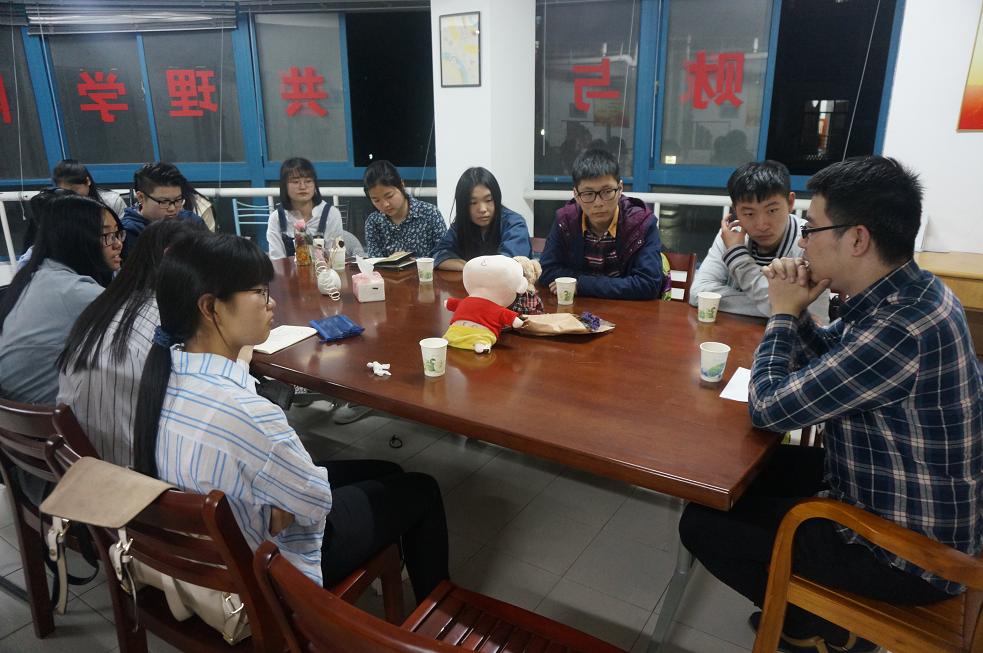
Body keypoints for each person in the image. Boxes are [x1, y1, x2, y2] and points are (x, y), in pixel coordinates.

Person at [679, 156, 983, 653]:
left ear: (857, 239)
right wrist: (797, 310)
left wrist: (782, 312)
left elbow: (768, 408)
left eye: (812, 229)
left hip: (909, 555)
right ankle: (808, 615)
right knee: (731, 478)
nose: (802, 242)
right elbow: (829, 354)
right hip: (880, 489)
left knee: (702, 524)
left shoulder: (902, 329)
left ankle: (820, 627)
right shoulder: (905, 293)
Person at [132, 233, 450, 602]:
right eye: (259, 292)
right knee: (422, 488)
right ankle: (437, 611)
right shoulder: (250, 415)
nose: (272, 303)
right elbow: (317, 502)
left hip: (216, 551)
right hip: (277, 566)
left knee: (387, 471)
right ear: (210, 308)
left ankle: (390, 558)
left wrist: (282, 499)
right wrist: (284, 501)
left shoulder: (166, 373)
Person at [57, 220, 204, 466]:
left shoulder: (104, 308)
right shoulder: (168, 322)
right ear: (174, 259)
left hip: (80, 467)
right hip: (138, 476)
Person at [0, 194, 123, 405]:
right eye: (107, 236)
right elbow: (139, 325)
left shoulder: (37, 273)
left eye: (118, 234)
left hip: (16, 413)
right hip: (47, 416)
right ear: (76, 240)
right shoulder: (74, 291)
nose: (118, 243)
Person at [690, 160, 829, 321]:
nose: (762, 225)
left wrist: (738, 258)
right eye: (749, 214)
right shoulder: (731, 235)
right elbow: (699, 293)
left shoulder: (809, 240)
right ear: (736, 211)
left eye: (772, 210)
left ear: (790, 202)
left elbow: (814, 319)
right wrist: (785, 307)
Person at [538, 148, 664, 300]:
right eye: (588, 194)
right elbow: (546, 271)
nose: (598, 203)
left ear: (620, 188)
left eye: (607, 191)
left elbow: (648, 284)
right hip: (577, 309)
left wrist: (582, 284)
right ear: (576, 195)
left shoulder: (641, 223)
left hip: (628, 310)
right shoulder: (565, 220)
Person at [433, 167, 533, 272]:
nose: (482, 209)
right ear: (463, 206)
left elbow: (507, 264)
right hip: (471, 281)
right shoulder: (461, 224)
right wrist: (468, 267)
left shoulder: (514, 224)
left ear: (496, 198)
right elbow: (438, 255)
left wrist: (473, 268)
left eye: (488, 200)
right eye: (473, 202)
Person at [362, 160, 446, 258]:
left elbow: (444, 255)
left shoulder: (430, 213)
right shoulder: (373, 222)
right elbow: (375, 262)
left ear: (401, 185)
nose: (385, 204)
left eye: (389, 196)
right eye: (376, 200)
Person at [121, 162, 205, 259]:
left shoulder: (193, 222)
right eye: (164, 201)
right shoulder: (129, 232)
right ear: (141, 197)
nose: (172, 208)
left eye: (178, 200)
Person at [266, 157, 343, 260]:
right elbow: (277, 260)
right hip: (288, 270)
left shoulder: (331, 214)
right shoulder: (276, 218)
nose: (302, 186)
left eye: (308, 181)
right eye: (295, 182)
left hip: (325, 270)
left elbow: (335, 258)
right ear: (284, 186)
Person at [52, 158, 127, 217]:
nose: (71, 195)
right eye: (65, 191)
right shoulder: (56, 208)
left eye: (75, 189)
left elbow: (124, 229)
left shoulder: (112, 202)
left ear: (88, 181)